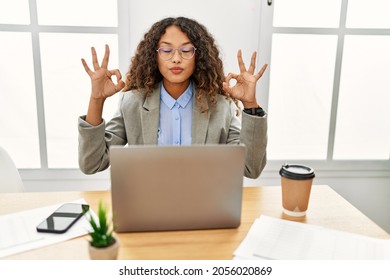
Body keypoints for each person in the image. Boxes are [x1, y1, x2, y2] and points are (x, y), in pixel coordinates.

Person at [78, 16, 268, 179]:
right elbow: (92, 163)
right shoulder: (132, 103)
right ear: (155, 56)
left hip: (203, 208)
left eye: (186, 50)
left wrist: (250, 103)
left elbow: (250, 168)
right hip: (148, 208)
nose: (176, 58)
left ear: (198, 57)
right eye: (167, 50)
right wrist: (97, 99)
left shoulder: (220, 106)